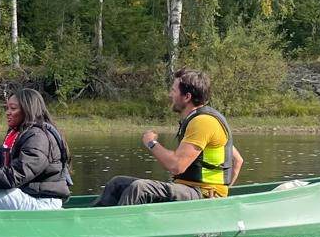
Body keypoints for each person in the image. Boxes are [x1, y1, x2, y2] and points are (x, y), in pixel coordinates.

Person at [95, 67, 242, 206]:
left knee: (140, 188)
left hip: (202, 194)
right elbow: (237, 160)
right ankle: (94, 224)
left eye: (173, 91)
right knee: (117, 184)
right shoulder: (198, 119)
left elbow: (176, 166)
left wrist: (151, 143)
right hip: (188, 190)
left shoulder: (203, 122)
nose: (170, 94)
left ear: (187, 97)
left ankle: (120, 230)